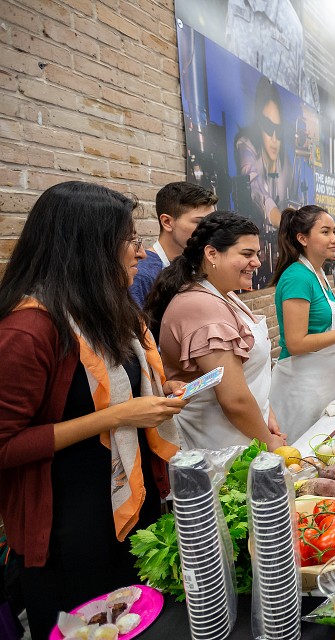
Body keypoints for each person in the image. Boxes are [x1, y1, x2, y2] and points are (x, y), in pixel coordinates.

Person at [0, 182, 185, 638]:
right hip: (70, 528)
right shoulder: (30, 329)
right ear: (88, 247)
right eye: (129, 241)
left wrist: (161, 391)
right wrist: (119, 417)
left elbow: (120, 387)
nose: (139, 254)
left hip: (131, 506)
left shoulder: (106, 308)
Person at [146, 211, 286, 452]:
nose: (257, 263)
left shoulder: (225, 295)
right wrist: (269, 442)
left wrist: (267, 412)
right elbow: (234, 400)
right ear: (211, 253)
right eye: (247, 254)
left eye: (257, 254)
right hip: (217, 444)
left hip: (244, 434)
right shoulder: (201, 306)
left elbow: (247, 376)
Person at [269, 205, 335, 442]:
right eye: (326, 232)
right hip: (301, 384)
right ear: (302, 238)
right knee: (304, 452)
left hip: (325, 379)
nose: (334, 239)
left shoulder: (319, 274)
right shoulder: (297, 277)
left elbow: (325, 330)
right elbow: (296, 343)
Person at [235, 77, 292, 287]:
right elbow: (255, 186)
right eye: (268, 127)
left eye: (279, 129)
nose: (274, 137)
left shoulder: (285, 162)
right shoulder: (246, 145)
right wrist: (279, 216)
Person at [129, 182, 218, 308]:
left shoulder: (201, 267)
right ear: (167, 222)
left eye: (212, 222)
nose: (210, 230)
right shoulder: (141, 274)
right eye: (200, 222)